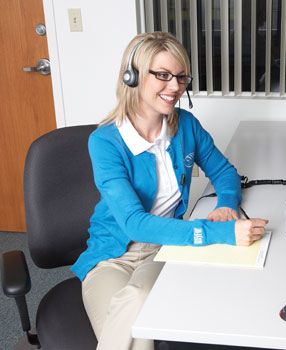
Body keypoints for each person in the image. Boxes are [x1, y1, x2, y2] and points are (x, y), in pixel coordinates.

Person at [71, 31, 268, 350]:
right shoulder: (105, 142)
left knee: (136, 301)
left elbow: (223, 171)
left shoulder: (186, 126)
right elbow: (134, 222)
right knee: (128, 322)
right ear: (132, 76)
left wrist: (228, 203)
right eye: (162, 75)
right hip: (109, 257)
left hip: (165, 248)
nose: (175, 87)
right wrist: (221, 233)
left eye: (180, 77)